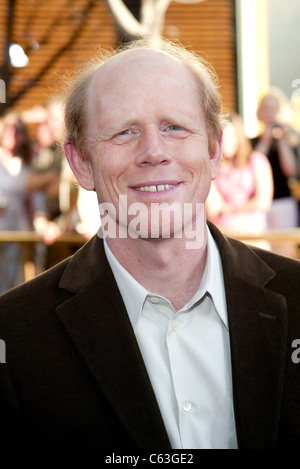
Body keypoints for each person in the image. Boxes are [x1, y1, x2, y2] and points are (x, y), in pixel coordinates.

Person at [0, 39, 299, 450]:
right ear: (81, 163)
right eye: (124, 132)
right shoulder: (14, 338)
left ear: (214, 149)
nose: (154, 152)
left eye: (175, 126)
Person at [0, 112, 59, 293]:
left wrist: (45, 224)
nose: (12, 133)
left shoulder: (29, 165)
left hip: (21, 243)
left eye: (17, 130)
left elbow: (37, 204)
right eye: (8, 128)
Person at [206, 113, 273, 247]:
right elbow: (213, 208)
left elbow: (263, 202)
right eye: (221, 138)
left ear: (239, 138)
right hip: (223, 238)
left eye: (230, 137)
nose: (225, 142)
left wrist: (229, 209)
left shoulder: (257, 161)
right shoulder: (210, 167)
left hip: (254, 237)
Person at [251, 87, 299, 230]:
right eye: (266, 109)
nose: (270, 114)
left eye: (274, 109)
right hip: (258, 203)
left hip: (283, 201)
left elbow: (291, 172)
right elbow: (251, 169)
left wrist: (282, 141)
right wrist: (265, 142)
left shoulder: (293, 140)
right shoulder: (253, 142)